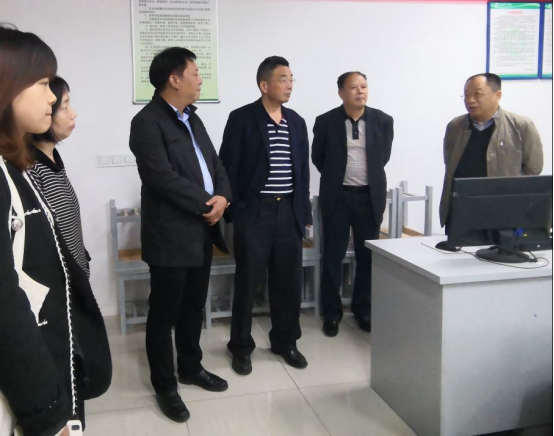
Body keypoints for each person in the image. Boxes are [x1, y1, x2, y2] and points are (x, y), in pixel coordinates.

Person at [0, 28, 111, 436]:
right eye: (43, 84)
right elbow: (6, 303)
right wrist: (47, 413)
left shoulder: (13, 168)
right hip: (32, 386)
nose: (51, 98)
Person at [129, 47, 232, 423]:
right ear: (174, 79)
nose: (201, 79)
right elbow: (160, 177)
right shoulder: (147, 122)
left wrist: (223, 197)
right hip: (170, 235)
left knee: (193, 306)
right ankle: (165, 385)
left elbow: (215, 163)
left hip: (202, 230)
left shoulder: (193, 118)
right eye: (195, 72)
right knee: (164, 314)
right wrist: (208, 202)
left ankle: (190, 367)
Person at [219, 56, 312, 376]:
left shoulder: (296, 122)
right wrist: (236, 211)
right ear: (264, 85)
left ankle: (285, 342)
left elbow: (302, 172)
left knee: (288, 282)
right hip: (255, 211)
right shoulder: (242, 118)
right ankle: (240, 347)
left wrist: (304, 212)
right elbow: (227, 167)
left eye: (291, 79)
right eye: (283, 79)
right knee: (248, 282)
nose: (289, 85)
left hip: (288, 212)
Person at [312, 71, 394, 337]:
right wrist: (337, 177)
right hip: (338, 197)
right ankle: (331, 313)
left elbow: (383, 157)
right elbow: (318, 157)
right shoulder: (326, 121)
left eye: (364, 86)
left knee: (367, 256)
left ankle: (363, 310)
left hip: (369, 197)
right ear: (341, 93)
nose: (360, 92)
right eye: (354, 87)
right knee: (333, 255)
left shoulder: (383, 120)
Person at [439, 73, 544, 229]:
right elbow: (449, 162)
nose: (470, 100)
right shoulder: (455, 126)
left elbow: (533, 169)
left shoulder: (521, 125)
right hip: (461, 210)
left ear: (497, 95)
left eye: (477, 94)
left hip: (503, 212)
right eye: (466, 95)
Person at [27, 76, 90, 278]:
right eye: (64, 107)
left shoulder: (52, 158)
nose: (73, 113)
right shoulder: (29, 168)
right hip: (59, 283)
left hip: (75, 278)